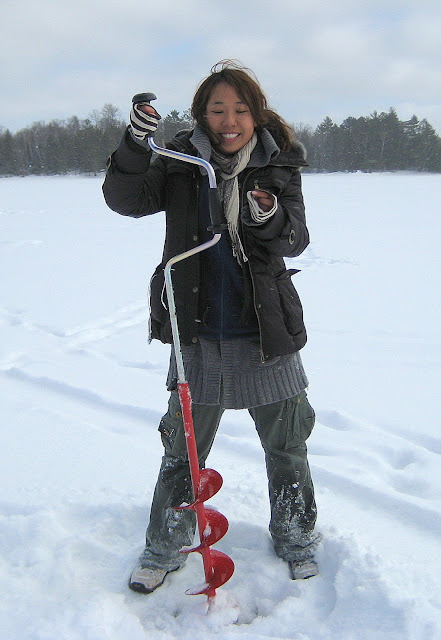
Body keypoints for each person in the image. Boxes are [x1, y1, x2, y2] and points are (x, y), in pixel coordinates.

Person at [103, 60, 321, 593]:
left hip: (265, 334)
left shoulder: (278, 165)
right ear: (202, 115)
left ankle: (295, 536)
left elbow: (296, 239)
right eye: (218, 109)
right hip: (196, 331)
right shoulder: (178, 162)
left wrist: (269, 217)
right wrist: (135, 145)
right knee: (183, 448)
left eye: (240, 110)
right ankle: (165, 546)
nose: (230, 121)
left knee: (287, 443)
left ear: (256, 115)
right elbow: (125, 199)